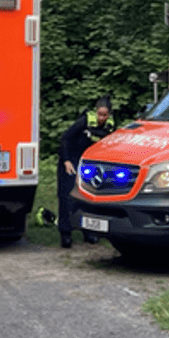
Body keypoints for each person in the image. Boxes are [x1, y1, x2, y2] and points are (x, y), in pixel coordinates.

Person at [58, 97, 116, 247]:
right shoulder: (84, 122)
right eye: (100, 114)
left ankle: (89, 232)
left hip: (90, 162)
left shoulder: (109, 126)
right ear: (96, 111)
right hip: (71, 160)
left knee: (88, 197)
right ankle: (66, 233)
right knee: (68, 196)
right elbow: (65, 138)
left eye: (105, 115)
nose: (102, 118)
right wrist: (66, 160)